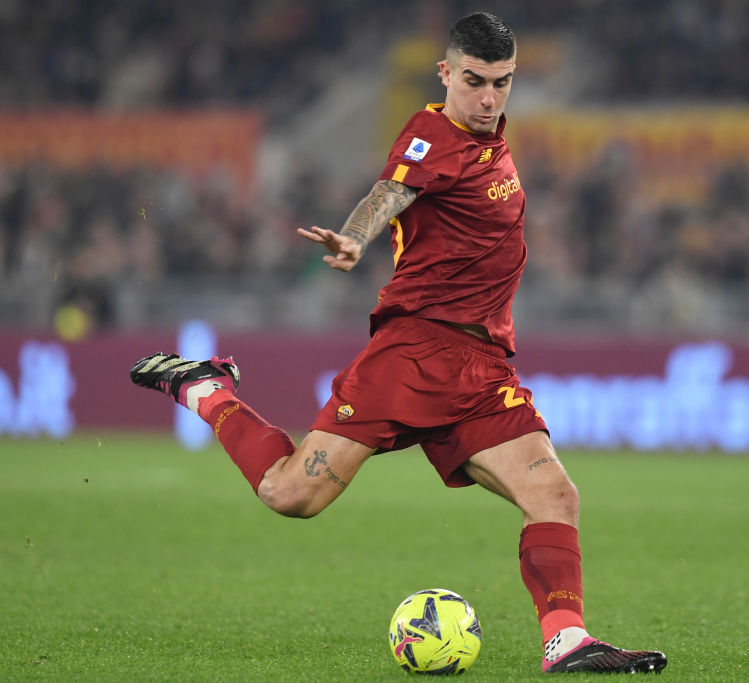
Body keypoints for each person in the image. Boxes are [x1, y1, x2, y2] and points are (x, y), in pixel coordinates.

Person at [129, 12, 666, 675]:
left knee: (556, 495)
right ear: (446, 73)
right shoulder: (432, 131)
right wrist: (355, 237)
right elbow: (390, 191)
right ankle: (206, 389)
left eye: (502, 82)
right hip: (415, 353)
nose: (489, 97)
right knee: (289, 494)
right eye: (474, 81)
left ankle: (567, 641)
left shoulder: (492, 139)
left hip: (481, 366)